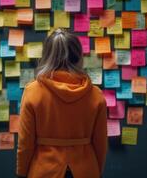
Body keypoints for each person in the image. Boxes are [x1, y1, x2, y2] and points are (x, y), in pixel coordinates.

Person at [16, 28, 108, 178]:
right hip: (86, 170)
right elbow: (101, 144)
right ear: (78, 56)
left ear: (46, 56)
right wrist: (97, 171)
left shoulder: (33, 91)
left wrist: (21, 173)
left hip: (44, 170)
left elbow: (25, 143)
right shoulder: (95, 95)